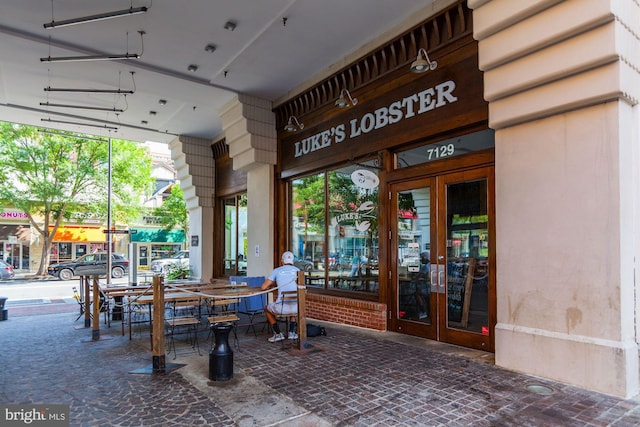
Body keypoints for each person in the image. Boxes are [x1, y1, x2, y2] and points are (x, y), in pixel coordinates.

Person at [261, 251, 301, 343]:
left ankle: (278, 333)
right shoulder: (298, 270)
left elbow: (263, 287)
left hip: (282, 309)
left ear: (282, 261)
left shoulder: (277, 271)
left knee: (266, 308)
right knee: (292, 303)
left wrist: (275, 284)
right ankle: (291, 332)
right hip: (297, 308)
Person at [414, 251, 430, 319]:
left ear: (425, 258)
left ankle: (423, 310)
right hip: (431, 288)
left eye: (422, 258)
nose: (421, 259)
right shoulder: (431, 265)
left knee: (417, 293)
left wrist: (414, 277)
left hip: (427, 288)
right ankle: (427, 310)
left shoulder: (425, 267)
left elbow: (417, 277)